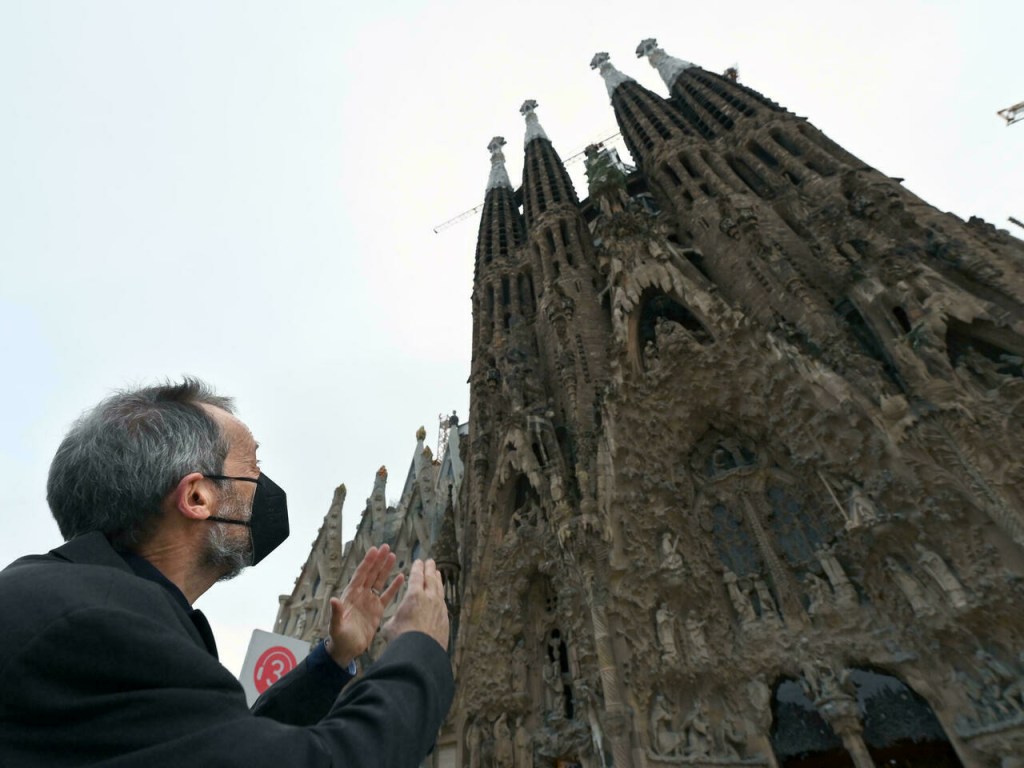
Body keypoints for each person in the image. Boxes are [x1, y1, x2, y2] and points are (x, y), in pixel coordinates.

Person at [0, 379, 453, 767]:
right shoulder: (98, 628)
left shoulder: (82, 600)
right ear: (196, 498)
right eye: (252, 466)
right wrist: (420, 649)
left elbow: (225, 743)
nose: (266, 485)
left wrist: (333, 660)